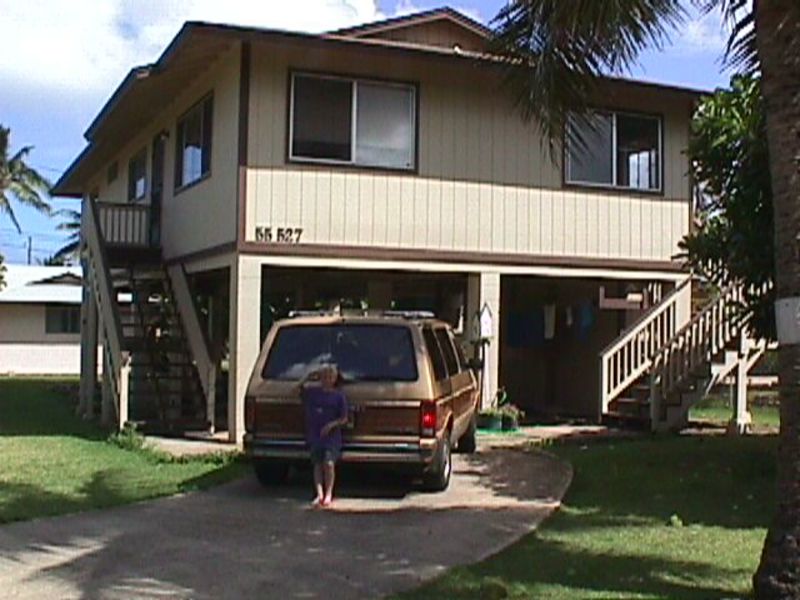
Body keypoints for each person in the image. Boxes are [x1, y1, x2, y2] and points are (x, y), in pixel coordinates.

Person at [298, 364, 348, 507]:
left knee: (329, 463)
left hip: (331, 436)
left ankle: (329, 493)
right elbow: (296, 389)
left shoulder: (339, 396)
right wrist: (307, 377)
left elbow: (344, 418)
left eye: (330, 376)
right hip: (315, 434)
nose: (327, 379)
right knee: (317, 464)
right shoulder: (313, 392)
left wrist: (331, 425)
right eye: (324, 376)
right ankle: (319, 493)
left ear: (335, 378)